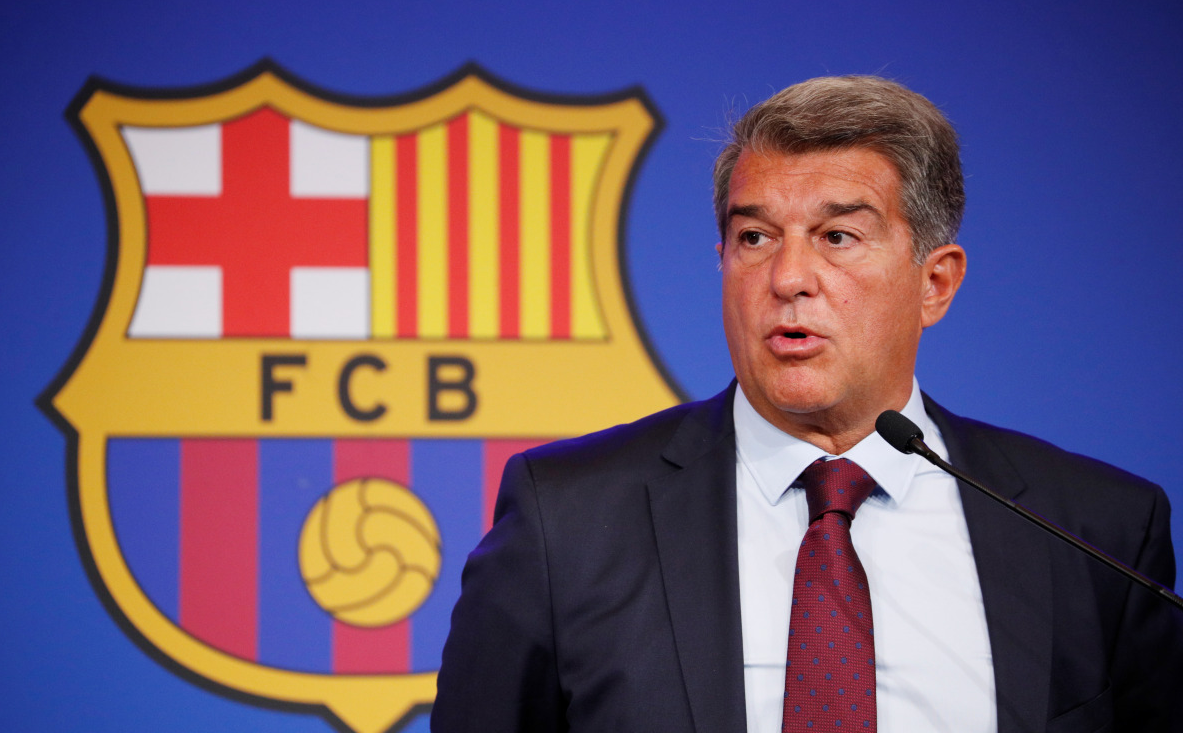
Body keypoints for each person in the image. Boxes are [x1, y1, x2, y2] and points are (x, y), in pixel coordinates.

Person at [430, 76, 1183, 732]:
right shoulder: (567, 519)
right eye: (754, 236)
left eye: (838, 236)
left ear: (936, 283)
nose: (789, 276)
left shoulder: (1094, 532)